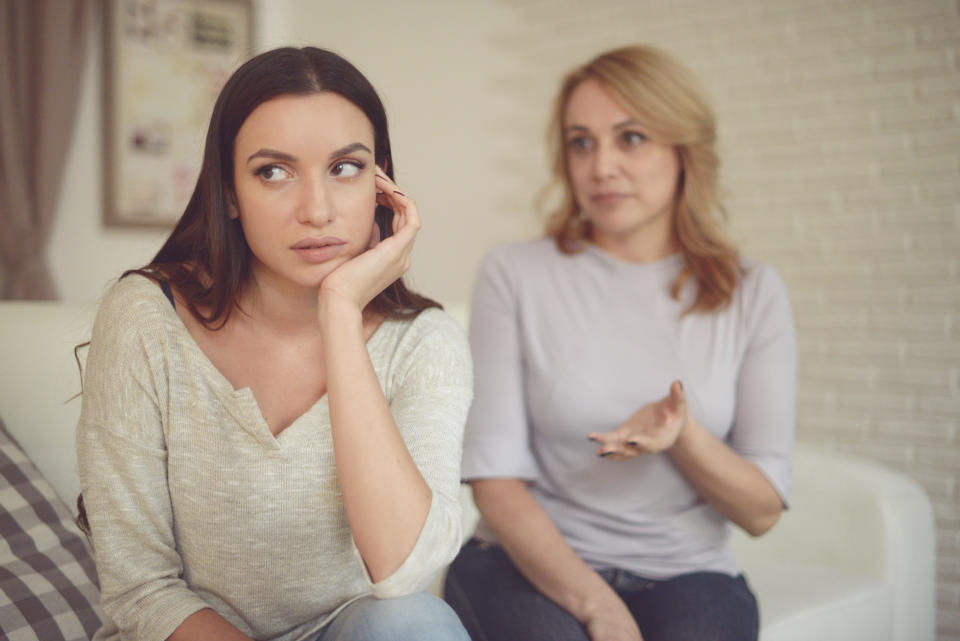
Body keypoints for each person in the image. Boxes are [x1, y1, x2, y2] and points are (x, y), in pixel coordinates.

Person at [75, 46, 472, 641]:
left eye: (345, 168)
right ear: (229, 193)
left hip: (351, 631)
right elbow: (141, 589)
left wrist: (339, 313)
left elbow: (401, 573)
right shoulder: (145, 318)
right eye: (273, 171)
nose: (316, 210)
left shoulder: (424, 342)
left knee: (416, 623)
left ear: (381, 184)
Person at [443, 44, 796, 641]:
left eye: (630, 138)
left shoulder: (752, 292)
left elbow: (761, 512)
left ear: (683, 151)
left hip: (689, 574)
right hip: (524, 564)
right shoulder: (515, 274)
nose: (601, 165)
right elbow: (495, 482)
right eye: (581, 142)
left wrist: (684, 438)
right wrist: (599, 609)